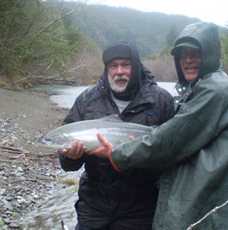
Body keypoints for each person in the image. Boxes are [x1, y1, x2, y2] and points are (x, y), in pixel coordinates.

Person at [90, 22, 228, 230]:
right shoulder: (201, 89)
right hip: (218, 209)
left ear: (210, 54)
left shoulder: (217, 90)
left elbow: (171, 140)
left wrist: (118, 153)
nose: (188, 60)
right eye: (182, 55)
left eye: (195, 53)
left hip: (222, 212)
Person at [58, 40, 175, 230]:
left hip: (141, 210)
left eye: (126, 65)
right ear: (107, 70)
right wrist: (70, 158)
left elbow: (172, 156)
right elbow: (68, 165)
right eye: (113, 66)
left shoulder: (161, 101)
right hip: (93, 207)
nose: (119, 71)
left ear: (136, 67)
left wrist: (133, 155)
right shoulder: (87, 100)